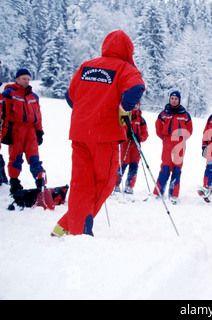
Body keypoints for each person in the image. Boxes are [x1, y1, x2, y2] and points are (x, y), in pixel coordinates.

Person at [51, 30, 145, 237]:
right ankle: (78, 228)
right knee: (105, 183)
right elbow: (136, 89)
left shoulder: (86, 66)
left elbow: (70, 97)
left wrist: (88, 111)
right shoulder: (125, 68)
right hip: (104, 135)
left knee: (80, 184)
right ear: (128, 50)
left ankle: (67, 228)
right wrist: (124, 108)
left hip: (80, 133)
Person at [1, 68, 46, 194]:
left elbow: (38, 116)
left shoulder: (34, 96)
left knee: (34, 157)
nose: (26, 81)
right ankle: (14, 182)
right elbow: (4, 114)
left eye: (28, 79)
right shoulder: (9, 94)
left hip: (31, 131)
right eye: (23, 79)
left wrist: (39, 131)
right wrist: (6, 131)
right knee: (16, 157)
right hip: (16, 129)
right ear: (17, 79)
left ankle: (40, 183)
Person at [153, 91, 193, 204]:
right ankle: (158, 193)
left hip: (179, 143)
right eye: (172, 98)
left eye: (176, 98)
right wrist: (165, 139)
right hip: (167, 142)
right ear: (169, 99)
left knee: (177, 168)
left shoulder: (185, 115)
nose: (174, 100)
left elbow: (189, 130)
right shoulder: (163, 114)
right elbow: (158, 128)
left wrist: (181, 139)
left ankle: (173, 195)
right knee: (165, 167)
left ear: (179, 100)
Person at [114, 108, 149, 195]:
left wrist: (140, 138)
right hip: (126, 144)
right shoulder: (126, 116)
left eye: (137, 104)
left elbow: (145, 133)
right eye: (134, 104)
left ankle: (129, 186)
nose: (135, 106)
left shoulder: (141, 119)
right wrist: (126, 135)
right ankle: (116, 184)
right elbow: (120, 128)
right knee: (123, 163)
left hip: (136, 145)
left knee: (134, 165)